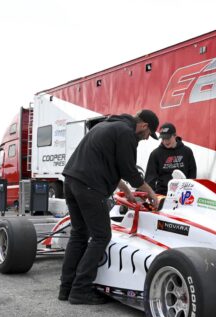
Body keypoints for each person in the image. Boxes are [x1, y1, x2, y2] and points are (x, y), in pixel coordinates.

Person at [59, 109, 160, 305]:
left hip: (71, 182)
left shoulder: (109, 125)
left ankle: (66, 288)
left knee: (79, 234)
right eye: (149, 134)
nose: (147, 139)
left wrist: (127, 192)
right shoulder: (126, 134)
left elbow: (108, 164)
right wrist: (150, 192)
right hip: (89, 186)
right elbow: (130, 171)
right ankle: (81, 290)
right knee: (101, 236)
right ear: (144, 126)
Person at [145, 122, 197, 195]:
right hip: (163, 193)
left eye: (168, 138)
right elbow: (150, 178)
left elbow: (192, 174)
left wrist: (190, 191)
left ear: (175, 135)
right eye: (163, 138)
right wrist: (151, 195)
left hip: (183, 193)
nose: (165, 141)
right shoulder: (155, 154)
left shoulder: (187, 151)